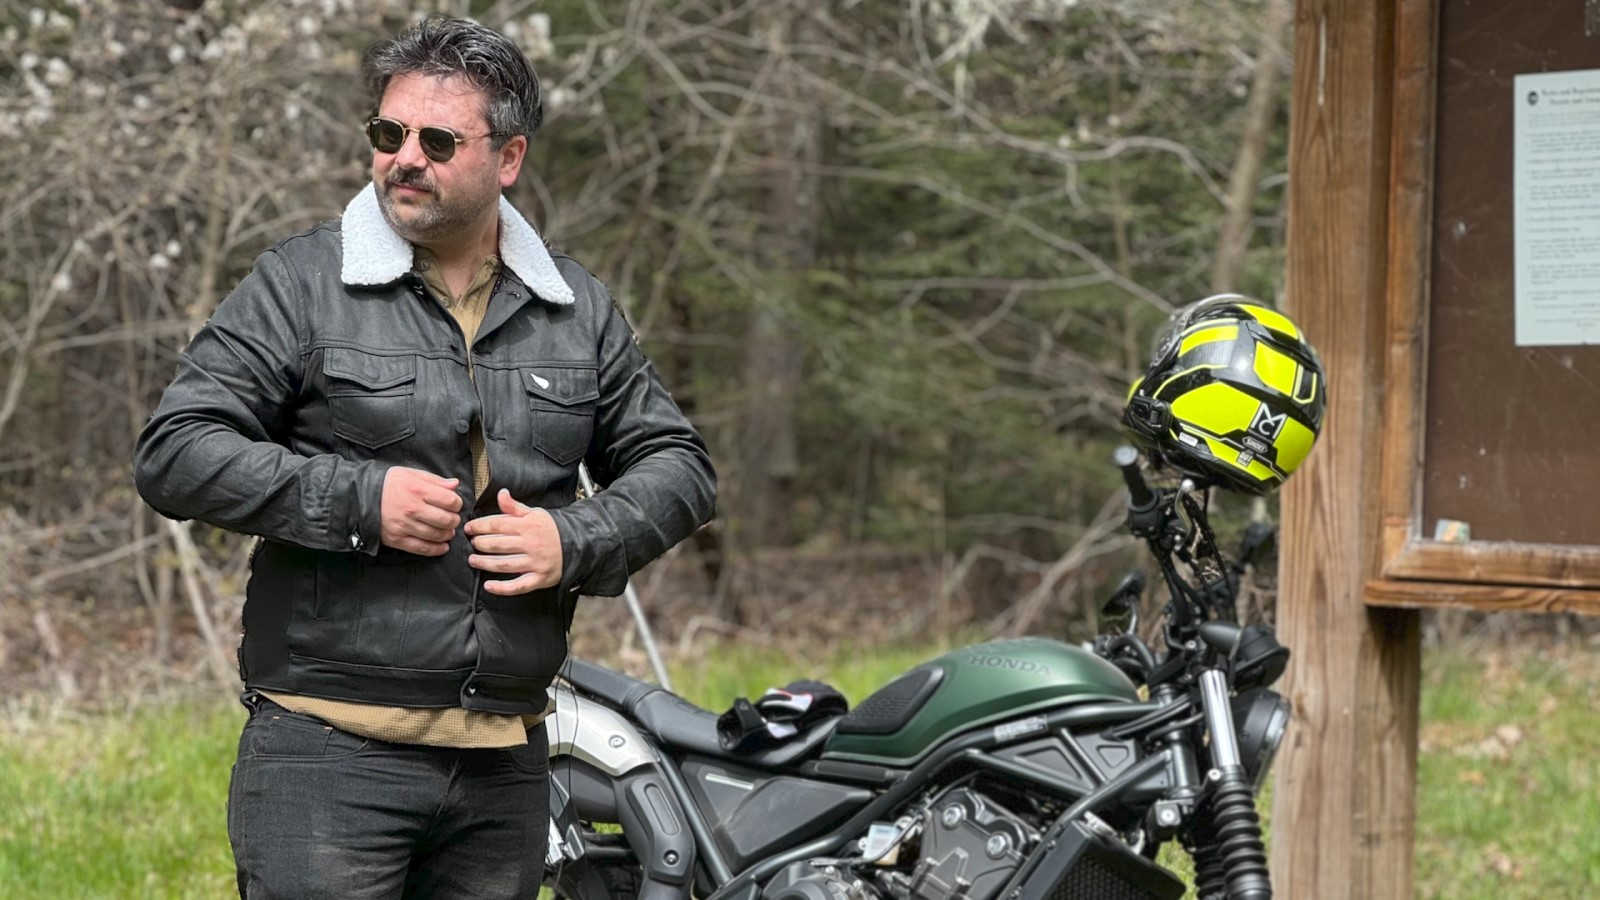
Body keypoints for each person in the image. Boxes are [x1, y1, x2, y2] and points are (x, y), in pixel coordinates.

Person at [133, 16, 715, 899]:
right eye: (388, 132)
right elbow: (175, 451)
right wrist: (359, 501)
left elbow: (680, 466)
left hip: (506, 762)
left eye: (437, 141)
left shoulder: (574, 307)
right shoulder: (301, 284)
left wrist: (575, 540)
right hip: (327, 758)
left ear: (508, 158)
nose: (405, 158)